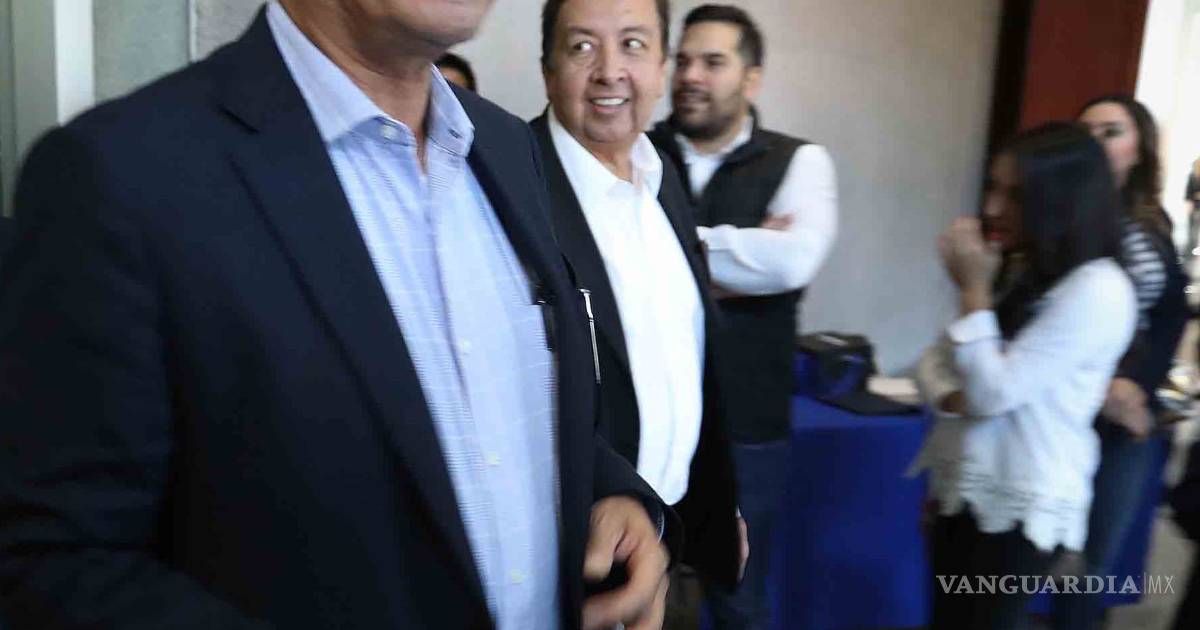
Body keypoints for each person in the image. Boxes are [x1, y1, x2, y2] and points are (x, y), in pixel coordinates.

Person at [0, 1, 676, 628]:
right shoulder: (121, 175)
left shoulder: (502, 144)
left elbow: (517, 413)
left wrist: (608, 493)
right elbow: (53, 562)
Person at [530, 0, 743, 614]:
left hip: (671, 530)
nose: (610, 71)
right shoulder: (513, 184)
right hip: (575, 549)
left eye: (632, 44)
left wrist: (715, 505)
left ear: (662, 66)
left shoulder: (662, 174)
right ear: (548, 70)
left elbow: (686, 357)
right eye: (582, 47)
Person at [645, 6, 837, 628]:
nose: (690, 76)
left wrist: (666, 247)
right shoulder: (638, 151)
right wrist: (742, 253)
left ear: (751, 78)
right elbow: (599, 257)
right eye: (683, 61)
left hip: (746, 429)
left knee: (739, 597)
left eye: (713, 62)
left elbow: (793, 262)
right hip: (645, 417)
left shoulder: (800, 161)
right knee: (633, 591)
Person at [913, 122, 1138, 629]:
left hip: (1021, 501)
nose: (992, 208)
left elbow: (992, 392)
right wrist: (950, 395)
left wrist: (973, 290)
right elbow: (933, 360)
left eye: (1015, 195)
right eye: (993, 187)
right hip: (965, 485)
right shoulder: (1021, 267)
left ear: (1063, 200)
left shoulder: (1099, 288)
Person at [1051, 96, 1190, 630]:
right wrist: (1104, 386)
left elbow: (1169, 313)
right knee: (1036, 555)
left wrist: (1137, 384)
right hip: (1065, 405)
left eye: (1112, 131)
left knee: (1096, 561)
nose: (1097, 141)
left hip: (1128, 410)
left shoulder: (1152, 221)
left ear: (1139, 149)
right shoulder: (1058, 212)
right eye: (1086, 131)